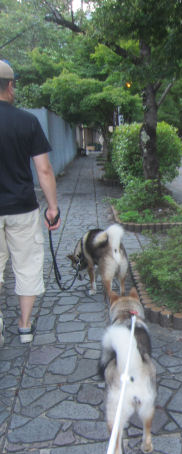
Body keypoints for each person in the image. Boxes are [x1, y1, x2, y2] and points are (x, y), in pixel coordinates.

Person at [0, 59, 61, 345]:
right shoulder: (27, 121)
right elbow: (44, 170)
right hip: (22, 208)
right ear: (10, 86)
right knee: (26, 267)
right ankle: (24, 327)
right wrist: (53, 207)